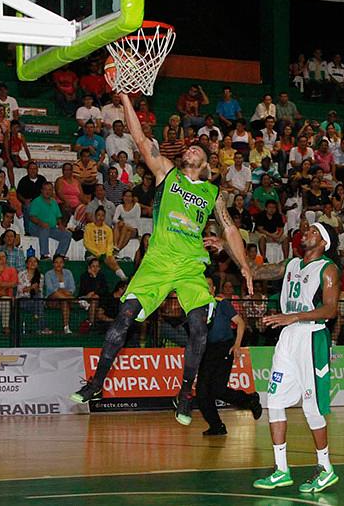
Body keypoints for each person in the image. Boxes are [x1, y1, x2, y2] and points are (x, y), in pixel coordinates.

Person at [71, 93, 252, 427]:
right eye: (190, 147)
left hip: (189, 266)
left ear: (206, 164)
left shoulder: (213, 193)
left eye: (198, 148)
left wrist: (243, 265)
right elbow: (139, 139)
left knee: (199, 327)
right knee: (125, 315)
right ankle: (97, 382)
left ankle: (185, 393)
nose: (193, 147)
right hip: (157, 261)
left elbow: (230, 230)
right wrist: (126, 100)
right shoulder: (167, 173)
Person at [246, 223, 340, 493]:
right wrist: (227, 246)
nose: (306, 233)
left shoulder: (328, 269)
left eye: (312, 231)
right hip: (288, 336)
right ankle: (281, 469)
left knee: (312, 408)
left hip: (311, 337)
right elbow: (255, 270)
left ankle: (326, 468)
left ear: (323, 242)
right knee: (274, 400)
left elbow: (331, 310)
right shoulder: (291, 264)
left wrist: (294, 316)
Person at [195, 276, 262, 436]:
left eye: (209, 285)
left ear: (213, 290)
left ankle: (250, 399)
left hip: (224, 348)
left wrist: (237, 345)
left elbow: (240, 322)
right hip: (207, 351)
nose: (206, 288)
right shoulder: (197, 306)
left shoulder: (222, 304)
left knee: (217, 389)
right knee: (202, 391)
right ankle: (216, 426)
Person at [29, 182, 72, 259]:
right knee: (45, 228)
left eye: (50, 190)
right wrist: (41, 223)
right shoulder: (36, 201)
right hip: (36, 227)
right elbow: (32, 217)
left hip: (51, 228)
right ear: (41, 191)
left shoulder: (54, 202)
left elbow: (58, 216)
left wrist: (60, 225)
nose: (48, 192)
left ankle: (59, 255)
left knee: (67, 234)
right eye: (45, 189)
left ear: (52, 191)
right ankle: (44, 255)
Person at [83, 208, 128, 282]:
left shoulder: (108, 229)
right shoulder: (88, 227)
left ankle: (123, 277)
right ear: (95, 216)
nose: (100, 217)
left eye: (102, 215)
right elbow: (87, 243)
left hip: (104, 254)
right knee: (95, 263)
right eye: (98, 215)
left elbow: (110, 244)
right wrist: (98, 254)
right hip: (91, 253)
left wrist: (109, 255)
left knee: (111, 259)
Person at [44, 254, 77, 334]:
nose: (58, 264)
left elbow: (72, 288)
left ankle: (66, 327)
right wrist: (61, 290)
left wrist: (64, 291)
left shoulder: (68, 272)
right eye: (56, 262)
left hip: (65, 299)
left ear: (64, 263)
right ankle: (77, 302)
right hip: (52, 300)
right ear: (53, 264)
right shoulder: (48, 274)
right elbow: (50, 289)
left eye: (61, 262)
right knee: (56, 293)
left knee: (64, 301)